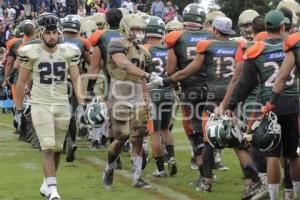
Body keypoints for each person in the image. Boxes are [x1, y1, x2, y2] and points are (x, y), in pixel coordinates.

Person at [224, 10, 300, 200]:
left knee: (272, 155)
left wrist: (231, 105)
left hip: (268, 105)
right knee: (293, 154)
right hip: (292, 103)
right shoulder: (292, 46)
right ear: (283, 27)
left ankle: (274, 196)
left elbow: (244, 83)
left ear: (266, 27)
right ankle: (293, 193)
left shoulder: (256, 50)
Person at [15, 13, 84, 200]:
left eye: (55, 32)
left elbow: (77, 79)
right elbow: (21, 82)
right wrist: (19, 109)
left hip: (62, 103)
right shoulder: (31, 52)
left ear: (59, 32)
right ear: (40, 34)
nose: (52, 36)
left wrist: (82, 104)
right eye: (48, 33)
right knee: (47, 147)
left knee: (57, 148)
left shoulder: (69, 51)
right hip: (41, 103)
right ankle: (54, 190)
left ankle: (47, 184)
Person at [163, 3, 213, 185]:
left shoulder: (176, 37)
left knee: (195, 134)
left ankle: (204, 176)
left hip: (190, 90)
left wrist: (175, 83)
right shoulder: (211, 35)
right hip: (212, 90)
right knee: (212, 131)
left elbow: (170, 70)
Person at [102, 13, 153, 189]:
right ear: (126, 28)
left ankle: (137, 178)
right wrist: (146, 74)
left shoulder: (143, 51)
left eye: (141, 29)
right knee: (121, 137)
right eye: (136, 29)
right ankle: (109, 168)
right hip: (120, 97)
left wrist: (147, 100)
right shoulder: (116, 43)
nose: (139, 33)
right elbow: (124, 64)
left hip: (138, 97)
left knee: (138, 137)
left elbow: (142, 80)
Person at [144, 16, 176, 177]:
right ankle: (171, 159)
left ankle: (160, 169)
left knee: (154, 132)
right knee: (165, 128)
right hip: (168, 91)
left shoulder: (145, 49)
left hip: (152, 93)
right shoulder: (168, 48)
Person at [88, 8, 123, 152]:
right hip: (131, 82)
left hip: (112, 82)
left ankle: (115, 155)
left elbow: (95, 65)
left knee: (113, 120)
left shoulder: (101, 37)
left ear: (107, 20)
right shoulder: (129, 36)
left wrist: (89, 88)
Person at [61, 14, 91, 162]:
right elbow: (90, 61)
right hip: (74, 81)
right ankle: (71, 141)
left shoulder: (55, 40)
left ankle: (64, 141)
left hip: (56, 81)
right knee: (71, 115)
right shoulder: (82, 42)